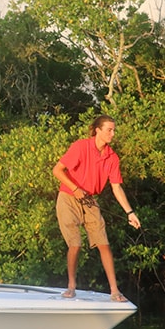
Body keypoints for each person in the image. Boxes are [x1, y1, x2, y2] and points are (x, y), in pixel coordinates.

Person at [52, 115, 141, 301]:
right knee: (75, 244)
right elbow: (57, 170)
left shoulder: (112, 157)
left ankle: (115, 291)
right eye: (109, 130)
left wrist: (130, 213)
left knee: (104, 244)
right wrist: (75, 189)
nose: (113, 134)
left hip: (90, 200)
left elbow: (116, 187)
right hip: (68, 197)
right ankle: (71, 287)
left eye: (114, 130)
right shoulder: (81, 146)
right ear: (98, 130)